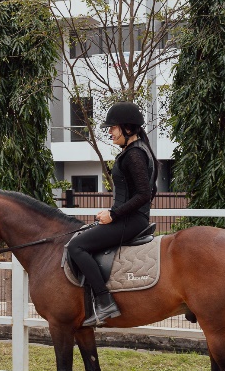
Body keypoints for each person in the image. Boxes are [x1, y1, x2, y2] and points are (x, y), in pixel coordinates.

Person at [66, 102, 157, 328]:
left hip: (130, 221)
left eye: (113, 127)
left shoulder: (134, 154)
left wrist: (114, 214)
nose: (110, 132)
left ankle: (105, 301)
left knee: (76, 246)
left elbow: (144, 194)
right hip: (130, 218)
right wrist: (112, 212)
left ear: (128, 128)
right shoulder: (137, 150)